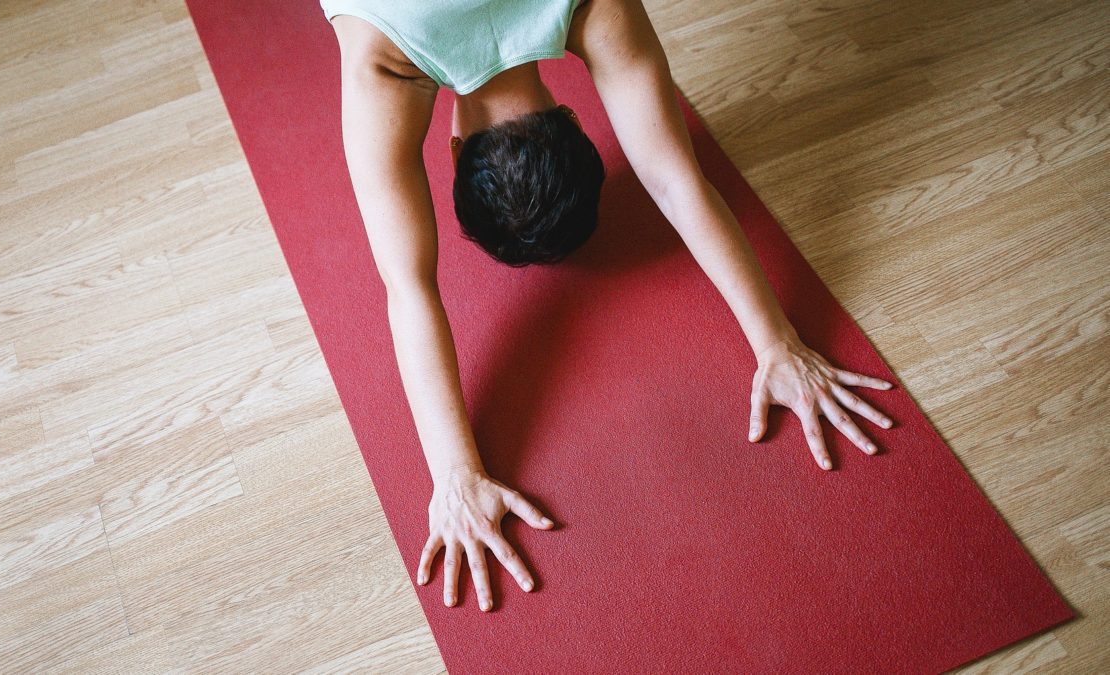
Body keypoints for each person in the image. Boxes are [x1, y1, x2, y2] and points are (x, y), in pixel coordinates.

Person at [320, 0, 895, 613]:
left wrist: (777, 343)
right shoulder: (382, 65)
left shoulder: (572, 12)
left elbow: (412, 287)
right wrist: (453, 472)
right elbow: (672, 177)